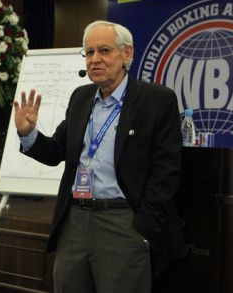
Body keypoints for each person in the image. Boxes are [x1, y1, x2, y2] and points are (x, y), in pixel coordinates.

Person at [13, 20, 186, 293]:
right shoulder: (81, 98)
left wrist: (142, 227)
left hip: (123, 222)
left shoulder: (157, 100)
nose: (95, 59)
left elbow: (166, 171)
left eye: (104, 51)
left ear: (127, 54)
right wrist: (28, 134)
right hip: (75, 222)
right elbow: (58, 151)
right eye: (89, 52)